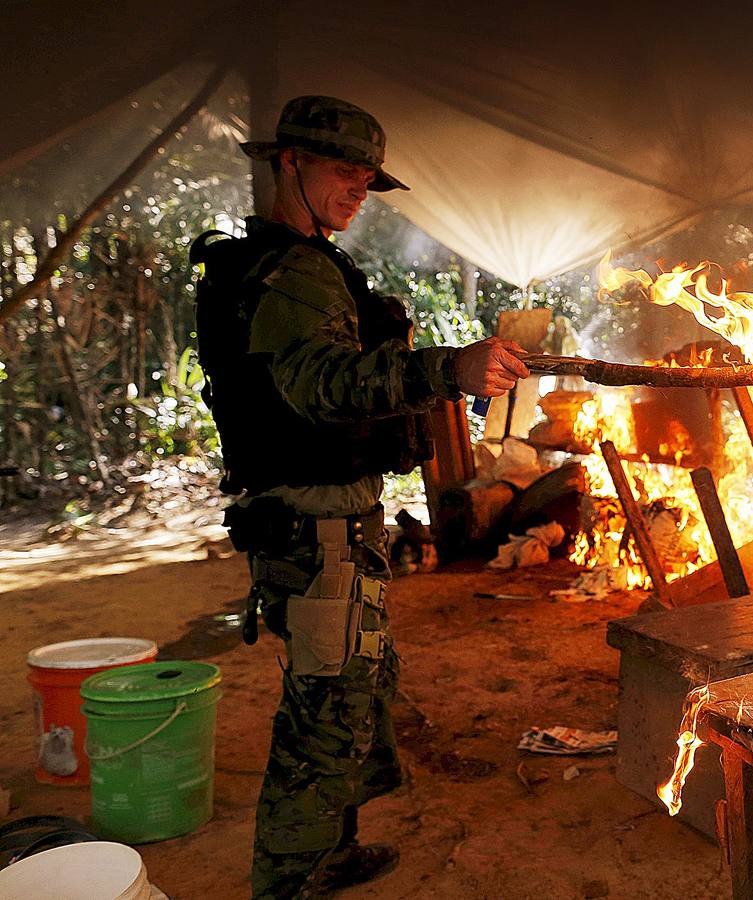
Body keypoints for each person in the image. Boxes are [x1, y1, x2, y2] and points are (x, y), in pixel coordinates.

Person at [191, 95, 529, 898]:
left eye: (366, 178)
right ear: (289, 163)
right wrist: (446, 370)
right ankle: (288, 882)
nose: (356, 190)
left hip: (334, 522)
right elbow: (319, 389)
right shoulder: (293, 271)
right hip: (314, 531)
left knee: (347, 695)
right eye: (343, 171)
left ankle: (328, 854)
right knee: (326, 712)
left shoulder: (306, 261)